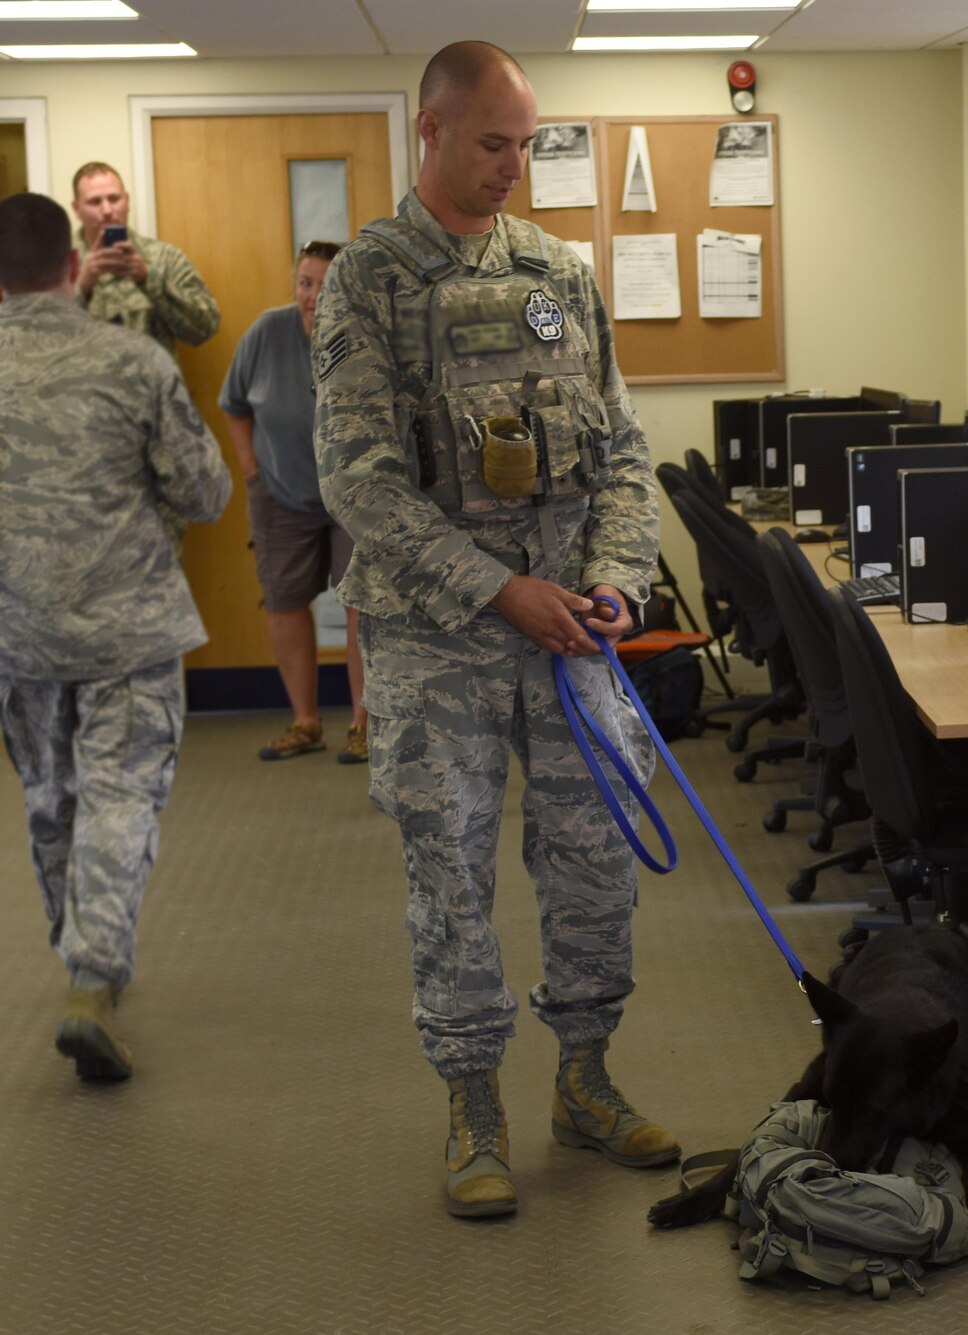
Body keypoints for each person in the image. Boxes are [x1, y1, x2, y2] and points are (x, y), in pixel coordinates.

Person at [312, 40, 672, 1219]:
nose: (516, 165)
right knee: (451, 875)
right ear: (429, 130)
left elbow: (622, 449)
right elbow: (359, 483)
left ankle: (585, 1077)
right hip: (437, 638)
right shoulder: (373, 278)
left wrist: (614, 578)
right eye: (493, 142)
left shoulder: (557, 273)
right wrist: (492, 587)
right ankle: (472, 1101)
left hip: (572, 630)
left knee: (594, 862)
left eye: (528, 143)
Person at [0, 192, 232, 1083]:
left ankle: (78, 951)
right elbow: (204, 493)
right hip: (127, 628)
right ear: (72, 264)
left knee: (52, 796)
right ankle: (92, 978)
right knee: (120, 798)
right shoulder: (133, 363)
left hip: (20, 633)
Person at [220, 241, 369, 764]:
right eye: (306, 283)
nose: (313, 295)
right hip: (280, 493)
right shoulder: (266, 332)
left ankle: (362, 722)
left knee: (361, 603)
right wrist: (251, 471)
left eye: (325, 285)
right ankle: (305, 723)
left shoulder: (366, 333)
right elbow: (234, 404)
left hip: (352, 494)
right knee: (284, 600)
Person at [70, 162, 220, 356]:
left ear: (127, 201)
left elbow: (205, 328)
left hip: (152, 385)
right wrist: (81, 287)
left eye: (114, 199)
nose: (107, 210)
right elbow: (35, 343)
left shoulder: (165, 258)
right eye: (95, 202)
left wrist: (149, 279)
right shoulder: (56, 266)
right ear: (76, 209)